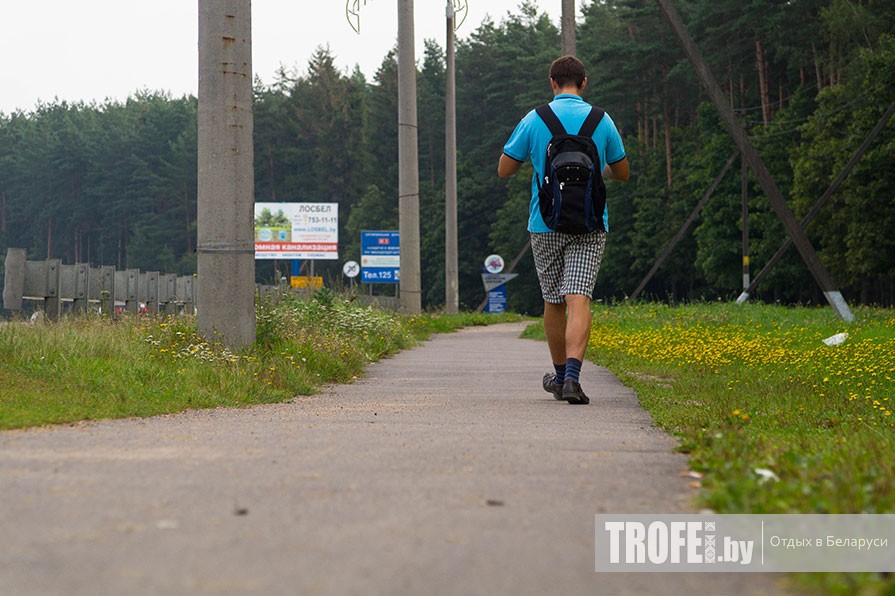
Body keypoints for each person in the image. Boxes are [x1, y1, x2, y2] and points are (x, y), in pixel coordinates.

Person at [498, 55, 629, 405]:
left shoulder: (534, 119)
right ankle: (572, 378)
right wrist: (597, 171)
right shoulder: (602, 120)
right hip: (590, 222)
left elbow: (504, 169)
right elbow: (623, 172)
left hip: (545, 222)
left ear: (552, 82)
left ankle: (558, 378)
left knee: (554, 301)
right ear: (584, 82)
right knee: (579, 297)